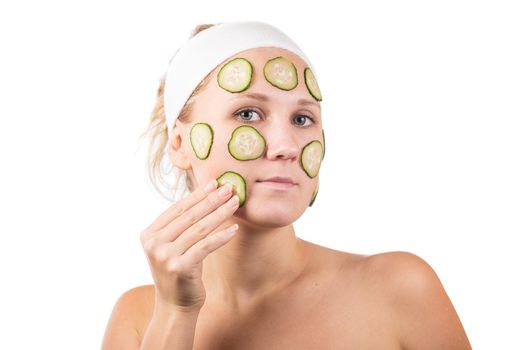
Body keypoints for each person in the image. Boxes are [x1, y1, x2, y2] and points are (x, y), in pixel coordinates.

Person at [101, 21, 472, 350]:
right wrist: (175, 313)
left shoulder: (401, 289)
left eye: (302, 117)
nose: (287, 146)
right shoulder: (138, 319)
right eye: (248, 113)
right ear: (180, 144)